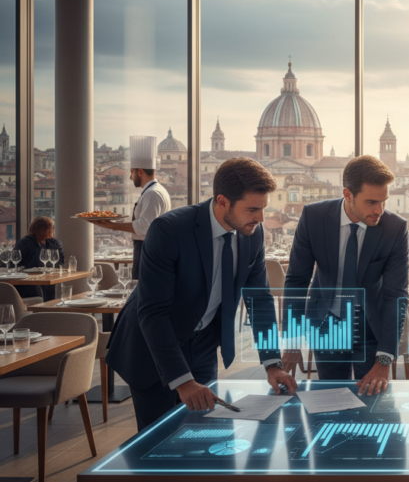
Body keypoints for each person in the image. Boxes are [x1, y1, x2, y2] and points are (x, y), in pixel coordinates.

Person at [105, 158, 297, 431]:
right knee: (159, 446)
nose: (261, 218)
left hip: (204, 345)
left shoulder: (253, 233)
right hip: (152, 348)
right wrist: (182, 381)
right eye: (252, 209)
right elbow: (152, 313)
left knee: (208, 437)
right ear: (222, 201)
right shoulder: (169, 230)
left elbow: (260, 300)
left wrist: (272, 363)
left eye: (263, 209)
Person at [282, 155, 409, 394]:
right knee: (329, 402)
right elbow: (297, 280)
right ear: (348, 194)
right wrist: (291, 340)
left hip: (371, 329)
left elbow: (396, 294)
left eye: (384, 201)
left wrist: (384, 360)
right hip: (326, 324)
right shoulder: (313, 217)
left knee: (374, 407)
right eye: (371, 202)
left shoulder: (395, 227)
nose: (379, 210)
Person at [88, 135, 172, 279]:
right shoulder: (155, 191)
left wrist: (111, 225)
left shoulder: (152, 194)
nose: (130, 177)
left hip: (148, 250)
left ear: (140, 171)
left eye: (131, 172)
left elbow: (144, 226)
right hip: (148, 249)